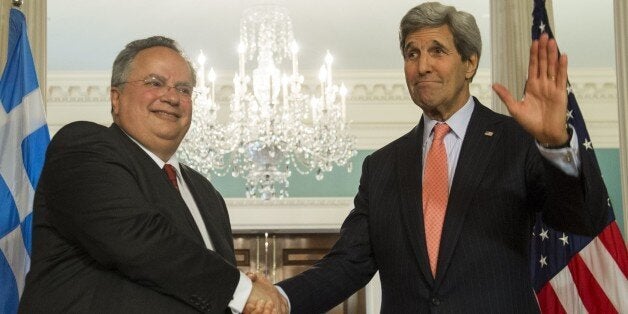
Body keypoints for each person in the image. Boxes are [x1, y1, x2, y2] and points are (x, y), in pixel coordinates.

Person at [261, 2, 609, 313]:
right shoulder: (381, 166)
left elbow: (580, 219)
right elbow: (349, 262)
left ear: (470, 62)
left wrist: (555, 144)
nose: (422, 65)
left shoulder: (517, 141)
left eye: (437, 51)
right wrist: (280, 297)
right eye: (412, 54)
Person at [19, 36, 284, 314]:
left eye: (184, 89)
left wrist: (258, 300)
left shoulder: (206, 193)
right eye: (154, 83)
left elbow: (205, 291)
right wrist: (242, 290)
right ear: (116, 97)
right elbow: (136, 238)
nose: (171, 97)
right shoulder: (84, 147)